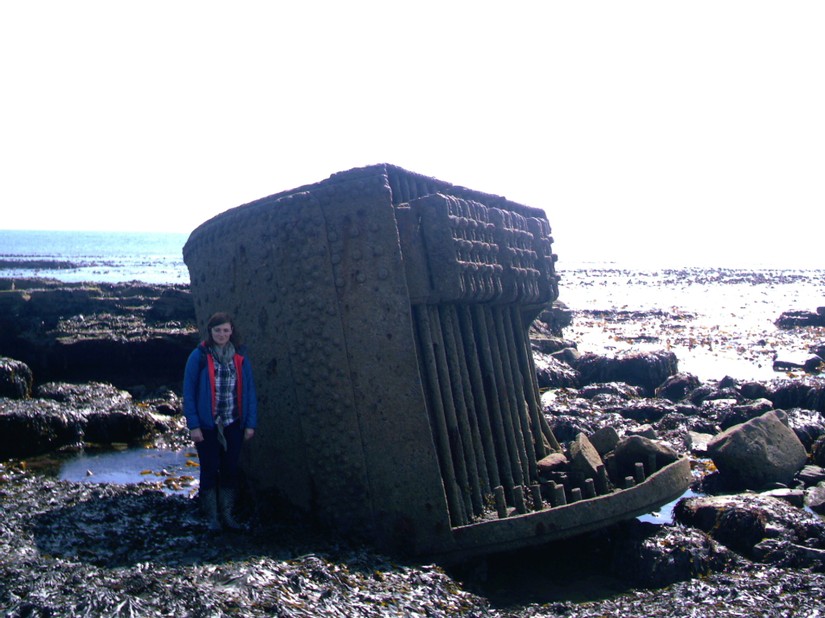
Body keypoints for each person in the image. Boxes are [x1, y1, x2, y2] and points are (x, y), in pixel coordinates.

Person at [183, 312, 258, 531]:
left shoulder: (240, 358)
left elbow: (250, 392)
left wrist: (250, 424)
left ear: (231, 332)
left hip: (233, 422)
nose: (222, 334)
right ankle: (212, 517)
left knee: (229, 469)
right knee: (209, 468)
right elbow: (188, 392)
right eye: (218, 330)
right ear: (211, 332)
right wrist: (193, 425)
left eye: (226, 330)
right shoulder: (198, 357)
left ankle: (228, 516)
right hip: (207, 424)